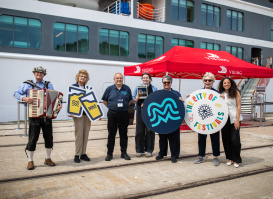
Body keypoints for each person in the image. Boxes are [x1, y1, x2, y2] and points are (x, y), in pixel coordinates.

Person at [13, 66, 62, 170]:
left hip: (47, 116)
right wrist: (24, 98)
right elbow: (15, 93)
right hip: (34, 116)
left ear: (44, 75)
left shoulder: (48, 84)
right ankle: (30, 161)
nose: (39, 74)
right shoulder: (27, 84)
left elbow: (55, 98)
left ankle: (48, 158)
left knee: (49, 138)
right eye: (37, 73)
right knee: (32, 139)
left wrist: (58, 105)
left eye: (41, 73)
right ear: (34, 74)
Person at [190, 72, 221, 166]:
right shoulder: (199, 93)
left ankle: (215, 156)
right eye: (206, 80)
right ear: (203, 81)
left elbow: (220, 106)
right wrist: (189, 98)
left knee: (215, 138)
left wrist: (222, 99)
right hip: (202, 120)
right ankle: (201, 156)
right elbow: (195, 104)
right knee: (201, 138)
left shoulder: (217, 93)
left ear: (213, 82)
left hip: (214, 120)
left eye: (210, 80)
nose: (207, 82)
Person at [102, 73, 132, 161]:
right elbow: (104, 100)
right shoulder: (109, 89)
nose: (119, 79)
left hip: (123, 114)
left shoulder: (127, 88)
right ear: (114, 79)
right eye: (117, 78)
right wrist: (112, 107)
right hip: (112, 114)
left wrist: (124, 107)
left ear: (123, 79)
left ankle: (124, 153)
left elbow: (130, 100)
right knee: (111, 134)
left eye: (120, 78)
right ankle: (109, 153)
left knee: (123, 134)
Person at [155, 75, 183, 163]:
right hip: (162, 119)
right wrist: (145, 105)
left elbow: (181, 106)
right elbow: (154, 103)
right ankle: (162, 153)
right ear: (162, 83)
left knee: (174, 138)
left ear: (171, 83)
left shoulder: (176, 93)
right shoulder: (159, 93)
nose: (166, 84)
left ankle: (174, 155)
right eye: (165, 82)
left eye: (168, 82)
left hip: (173, 119)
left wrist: (182, 101)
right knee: (162, 137)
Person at [218, 77, 243, 168]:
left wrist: (237, 119)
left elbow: (239, 106)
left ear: (231, 83)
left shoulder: (236, 92)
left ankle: (236, 159)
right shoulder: (221, 94)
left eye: (228, 83)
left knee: (235, 140)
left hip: (234, 118)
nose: (226, 84)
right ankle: (229, 158)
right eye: (224, 83)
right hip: (224, 119)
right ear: (222, 85)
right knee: (226, 139)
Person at [69, 69, 91, 163]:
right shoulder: (73, 87)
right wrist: (70, 111)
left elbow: (92, 101)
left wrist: (96, 114)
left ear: (86, 79)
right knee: (79, 134)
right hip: (77, 114)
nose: (83, 78)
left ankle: (83, 153)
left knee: (86, 134)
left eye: (85, 77)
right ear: (78, 77)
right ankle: (77, 154)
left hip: (87, 114)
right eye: (81, 76)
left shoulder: (88, 88)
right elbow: (70, 100)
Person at [133, 73, 157, 158]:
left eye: (147, 78)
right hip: (140, 110)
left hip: (150, 111)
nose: (145, 79)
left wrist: (148, 102)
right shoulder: (137, 87)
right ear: (142, 79)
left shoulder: (154, 88)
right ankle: (139, 150)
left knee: (150, 131)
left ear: (150, 79)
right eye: (144, 78)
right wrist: (136, 99)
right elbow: (134, 100)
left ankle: (149, 150)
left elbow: (156, 99)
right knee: (139, 131)